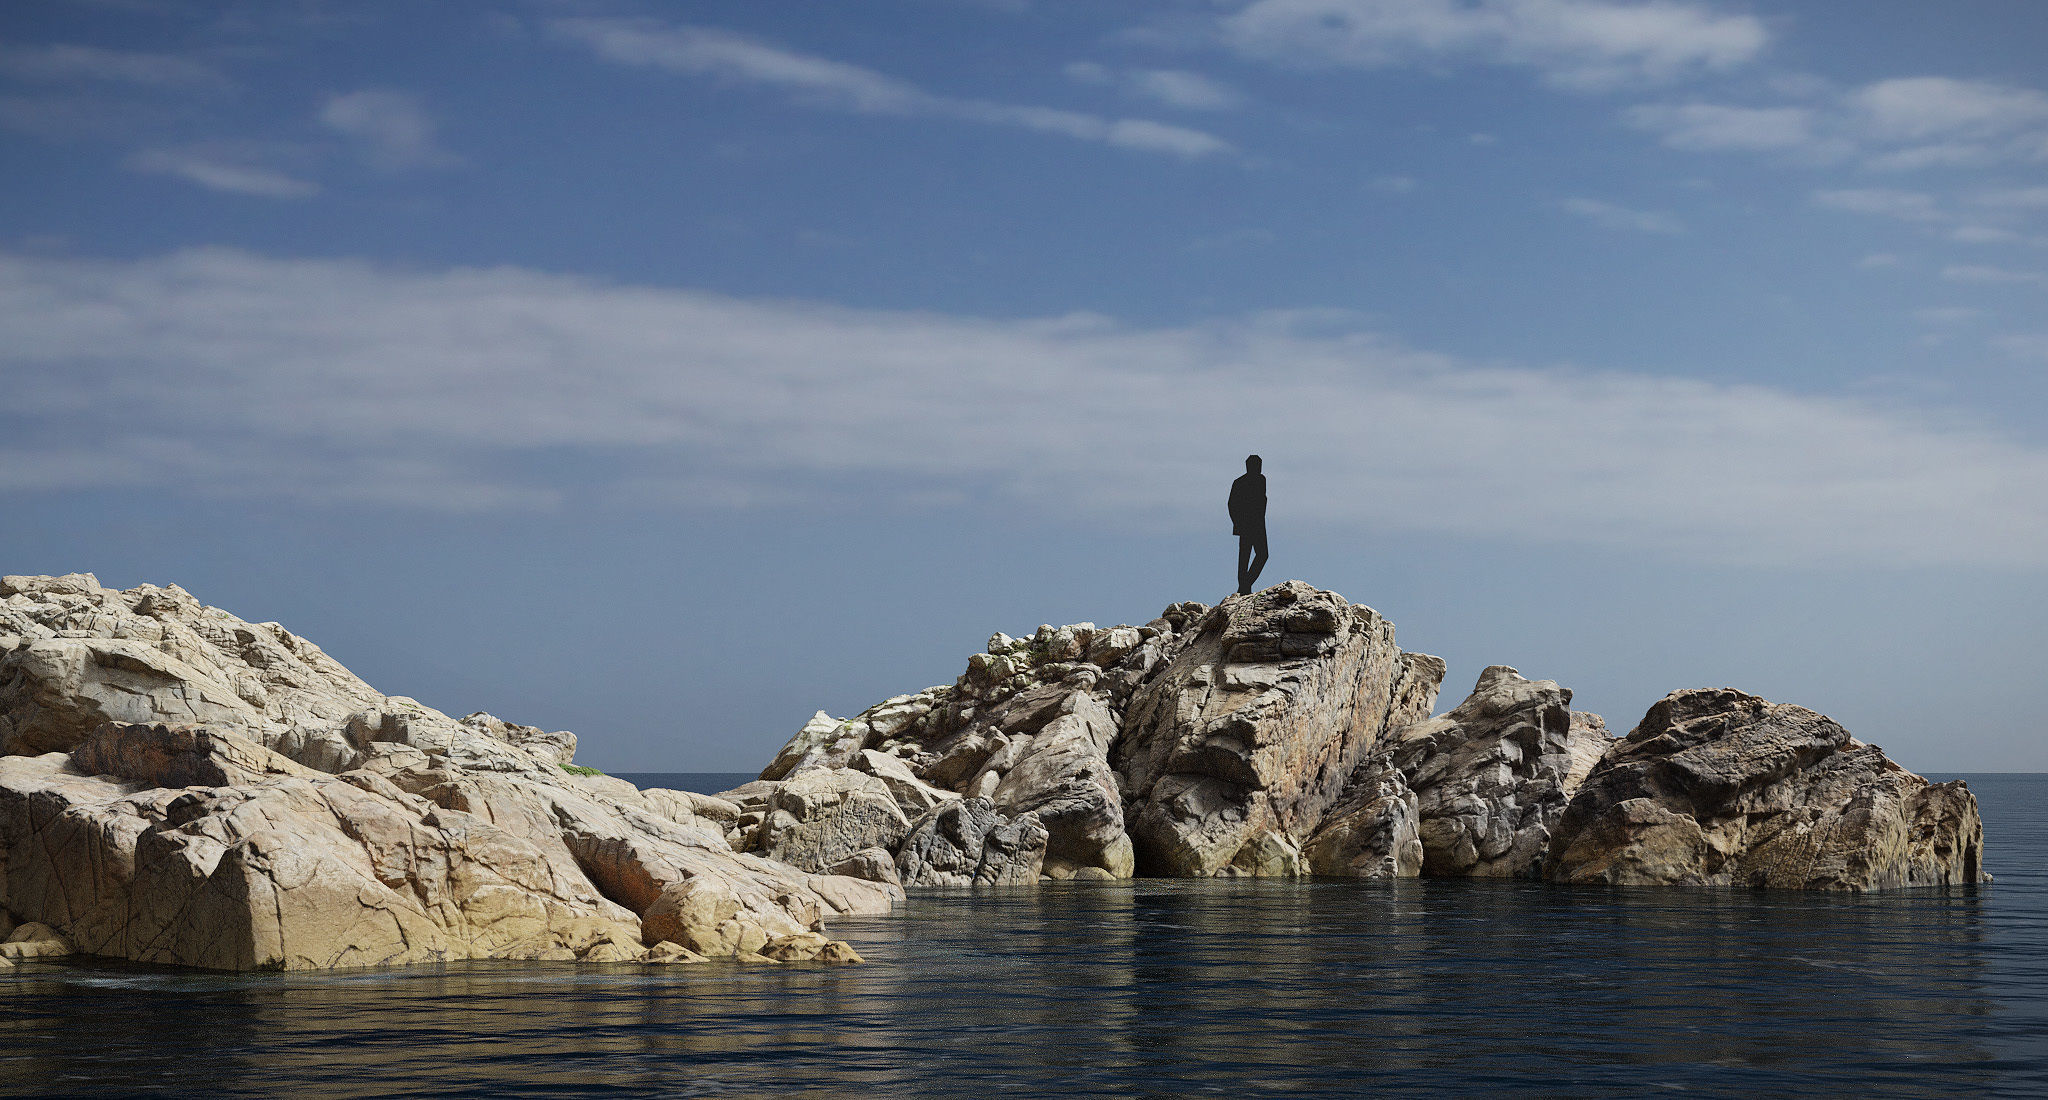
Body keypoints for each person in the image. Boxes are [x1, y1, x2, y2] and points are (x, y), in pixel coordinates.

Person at [1228, 455, 1267, 596]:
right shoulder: (1239, 482)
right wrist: (1238, 523)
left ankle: (1245, 584)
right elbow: (1231, 504)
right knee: (1244, 557)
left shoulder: (1261, 480)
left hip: (1258, 525)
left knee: (1262, 555)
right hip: (1246, 525)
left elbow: (1261, 502)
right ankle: (1244, 587)